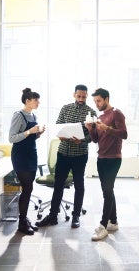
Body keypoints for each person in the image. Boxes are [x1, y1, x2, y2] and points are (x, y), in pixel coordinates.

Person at [36, 84, 96, 229]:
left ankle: (76, 216)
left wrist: (82, 140)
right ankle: (53, 215)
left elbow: (94, 136)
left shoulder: (91, 112)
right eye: (79, 96)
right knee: (58, 184)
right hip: (63, 153)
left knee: (79, 186)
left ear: (86, 96)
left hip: (80, 155)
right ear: (74, 95)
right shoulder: (65, 108)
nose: (81, 99)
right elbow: (58, 126)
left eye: (84, 96)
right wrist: (61, 135)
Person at [85, 88, 127, 241]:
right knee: (107, 190)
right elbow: (96, 139)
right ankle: (113, 221)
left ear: (107, 99)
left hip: (113, 158)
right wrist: (91, 130)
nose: (96, 104)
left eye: (99, 101)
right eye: (95, 101)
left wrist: (107, 128)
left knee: (107, 191)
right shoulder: (100, 116)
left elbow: (124, 134)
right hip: (101, 157)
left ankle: (103, 226)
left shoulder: (116, 113)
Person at [9, 87, 46, 235]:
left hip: (32, 154)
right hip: (21, 156)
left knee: (28, 188)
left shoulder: (33, 116)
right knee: (27, 188)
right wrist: (30, 131)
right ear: (27, 101)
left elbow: (31, 137)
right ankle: (22, 223)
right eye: (36, 100)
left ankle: (24, 220)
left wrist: (38, 133)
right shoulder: (18, 115)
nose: (38, 102)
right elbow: (12, 138)